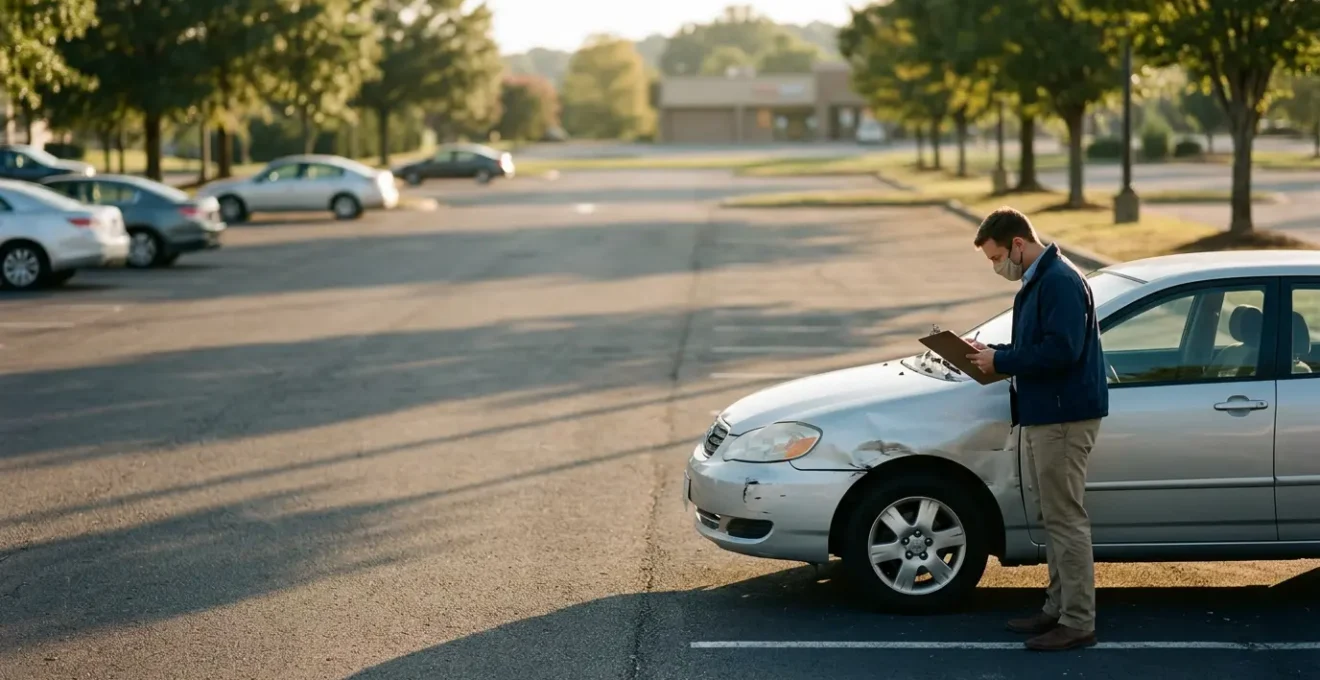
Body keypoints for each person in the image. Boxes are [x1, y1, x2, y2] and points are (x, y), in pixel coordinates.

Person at [964, 207, 1109, 652]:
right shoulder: (1041, 279)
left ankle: (1078, 620)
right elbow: (1037, 346)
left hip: (1064, 417)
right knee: (1054, 517)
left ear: (1019, 245)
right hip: (1049, 413)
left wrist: (1001, 362)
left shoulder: (1059, 282)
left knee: (1066, 520)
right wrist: (992, 352)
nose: (996, 267)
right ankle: (1057, 609)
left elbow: (1061, 352)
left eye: (996, 258)